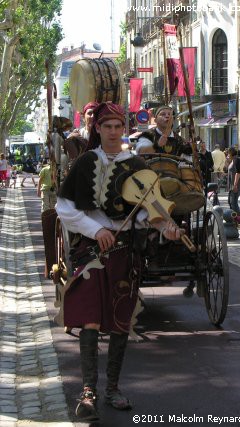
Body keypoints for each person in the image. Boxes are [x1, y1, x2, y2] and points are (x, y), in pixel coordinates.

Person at [55, 102, 182, 422]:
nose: (113, 131)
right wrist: (95, 229)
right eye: (107, 126)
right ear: (97, 129)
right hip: (92, 252)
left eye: (117, 126)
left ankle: (112, 387)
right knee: (90, 318)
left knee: (121, 319)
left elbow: (149, 211)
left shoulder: (137, 164)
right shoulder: (85, 163)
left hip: (126, 252)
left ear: (124, 128)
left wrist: (165, 226)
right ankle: (88, 390)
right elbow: (65, 207)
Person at [227, 146, 240, 215]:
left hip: (236, 185)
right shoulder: (233, 160)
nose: (227, 155)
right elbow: (232, 171)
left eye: (228, 153)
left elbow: (238, 173)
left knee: (233, 203)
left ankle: (238, 219)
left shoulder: (237, 159)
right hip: (232, 185)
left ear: (231, 153)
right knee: (230, 202)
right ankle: (233, 218)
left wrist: (235, 185)